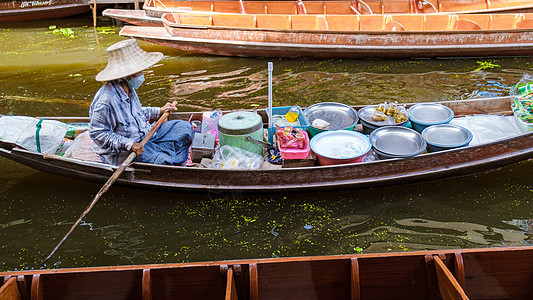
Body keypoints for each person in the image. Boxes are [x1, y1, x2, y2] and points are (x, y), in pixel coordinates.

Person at [89, 39, 192, 166]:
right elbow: (98, 134)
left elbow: (136, 113)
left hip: (147, 136)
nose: (142, 75)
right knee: (162, 161)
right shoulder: (105, 101)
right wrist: (129, 144)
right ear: (128, 76)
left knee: (184, 127)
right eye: (139, 72)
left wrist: (159, 110)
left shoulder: (129, 88)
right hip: (125, 151)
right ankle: (165, 154)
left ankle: (163, 150)